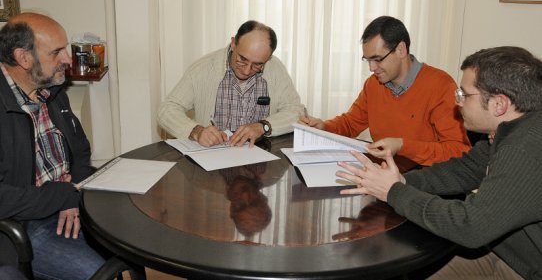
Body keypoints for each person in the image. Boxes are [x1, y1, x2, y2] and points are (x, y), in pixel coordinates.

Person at [336, 46, 542, 279]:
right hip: (503, 252)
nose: (458, 102)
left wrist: (394, 191)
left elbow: (470, 226)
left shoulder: (522, 149)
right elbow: (464, 169)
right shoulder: (507, 132)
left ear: (499, 104)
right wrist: (402, 180)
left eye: (464, 94)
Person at [0, 13, 105, 279]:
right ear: (23, 58)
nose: (68, 59)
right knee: (96, 273)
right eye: (57, 52)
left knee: (134, 238)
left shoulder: (52, 92)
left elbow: (81, 152)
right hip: (23, 223)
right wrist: (63, 195)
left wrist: (73, 191)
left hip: (70, 199)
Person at [300, 16, 470, 165]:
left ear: (401, 50)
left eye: (378, 59)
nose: (372, 68)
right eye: (367, 60)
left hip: (425, 181)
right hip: (383, 175)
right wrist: (324, 126)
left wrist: (403, 146)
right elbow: (351, 123)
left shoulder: (440, 85)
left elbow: (457, 150)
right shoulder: (373, 85)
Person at [158, 20, 303, 147]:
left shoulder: (275, 69)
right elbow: (167, 110)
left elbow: (296, 112)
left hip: (259, 159)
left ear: (268, 58)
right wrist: (196, 131)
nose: (246, 71)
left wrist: (263, 126)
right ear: (233, 43)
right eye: (242, 59)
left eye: (257, 65)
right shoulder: (203, 68)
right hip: (213, 161)